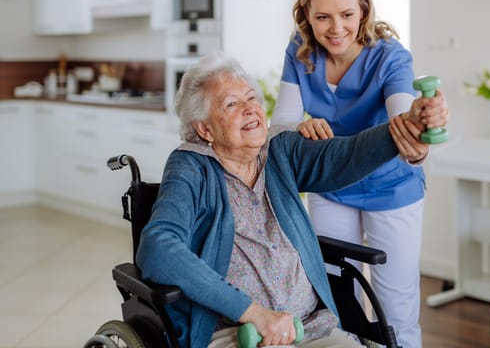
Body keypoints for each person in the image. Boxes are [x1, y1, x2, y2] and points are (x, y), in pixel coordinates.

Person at [136, 51, 431, 348]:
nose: (250, 109)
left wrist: (405, 127)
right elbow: (158, 247)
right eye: (232, 104)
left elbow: (344, 156)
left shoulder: (279, 150)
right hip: (238, 334)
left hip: (313, 328)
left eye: (251, 98)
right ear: (205, 128)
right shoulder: (191, 167)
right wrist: (253, 314)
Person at [270, 0, 449, 348]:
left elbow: (402, 120)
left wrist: (419, 125)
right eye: (323, 17)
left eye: (347, 14)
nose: (336, 29)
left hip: (392, 190)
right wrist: (299, 126)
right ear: (306, 17)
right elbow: (280, 124)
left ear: (363, 10)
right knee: (337, 301)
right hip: (332, 188)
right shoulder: (299, 52)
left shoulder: (390, 57)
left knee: (395, 306)